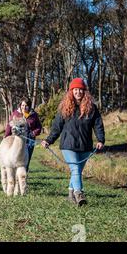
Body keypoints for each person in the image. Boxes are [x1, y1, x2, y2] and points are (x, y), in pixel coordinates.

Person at [41, 78, 105, 206]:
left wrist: (100, 139)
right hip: (68, 145)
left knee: (77, 171)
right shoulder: (65, 107)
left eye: (81, 90)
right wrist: (49, 140)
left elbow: (98, 124)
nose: (78, 92)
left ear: (84, 91)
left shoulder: (91, 108)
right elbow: (56, 127)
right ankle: (79, 193)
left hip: (85, 145)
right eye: (75, 89)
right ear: (71, 91)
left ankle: (70, 195)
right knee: (75, 169)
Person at [4, 97, 42, 172]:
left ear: (29, 106)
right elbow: (9, 125)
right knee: (15, 158)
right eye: (22, 105)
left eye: (26, 105)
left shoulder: (34, 115)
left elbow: (39, 127)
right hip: (17, 140)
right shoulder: (16, 114)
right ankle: (14, 175)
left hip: (29, 141)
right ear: (20, 105)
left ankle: (23, 178)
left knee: (25, 161)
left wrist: (33, 133)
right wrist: (6, 137)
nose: (24, 107)